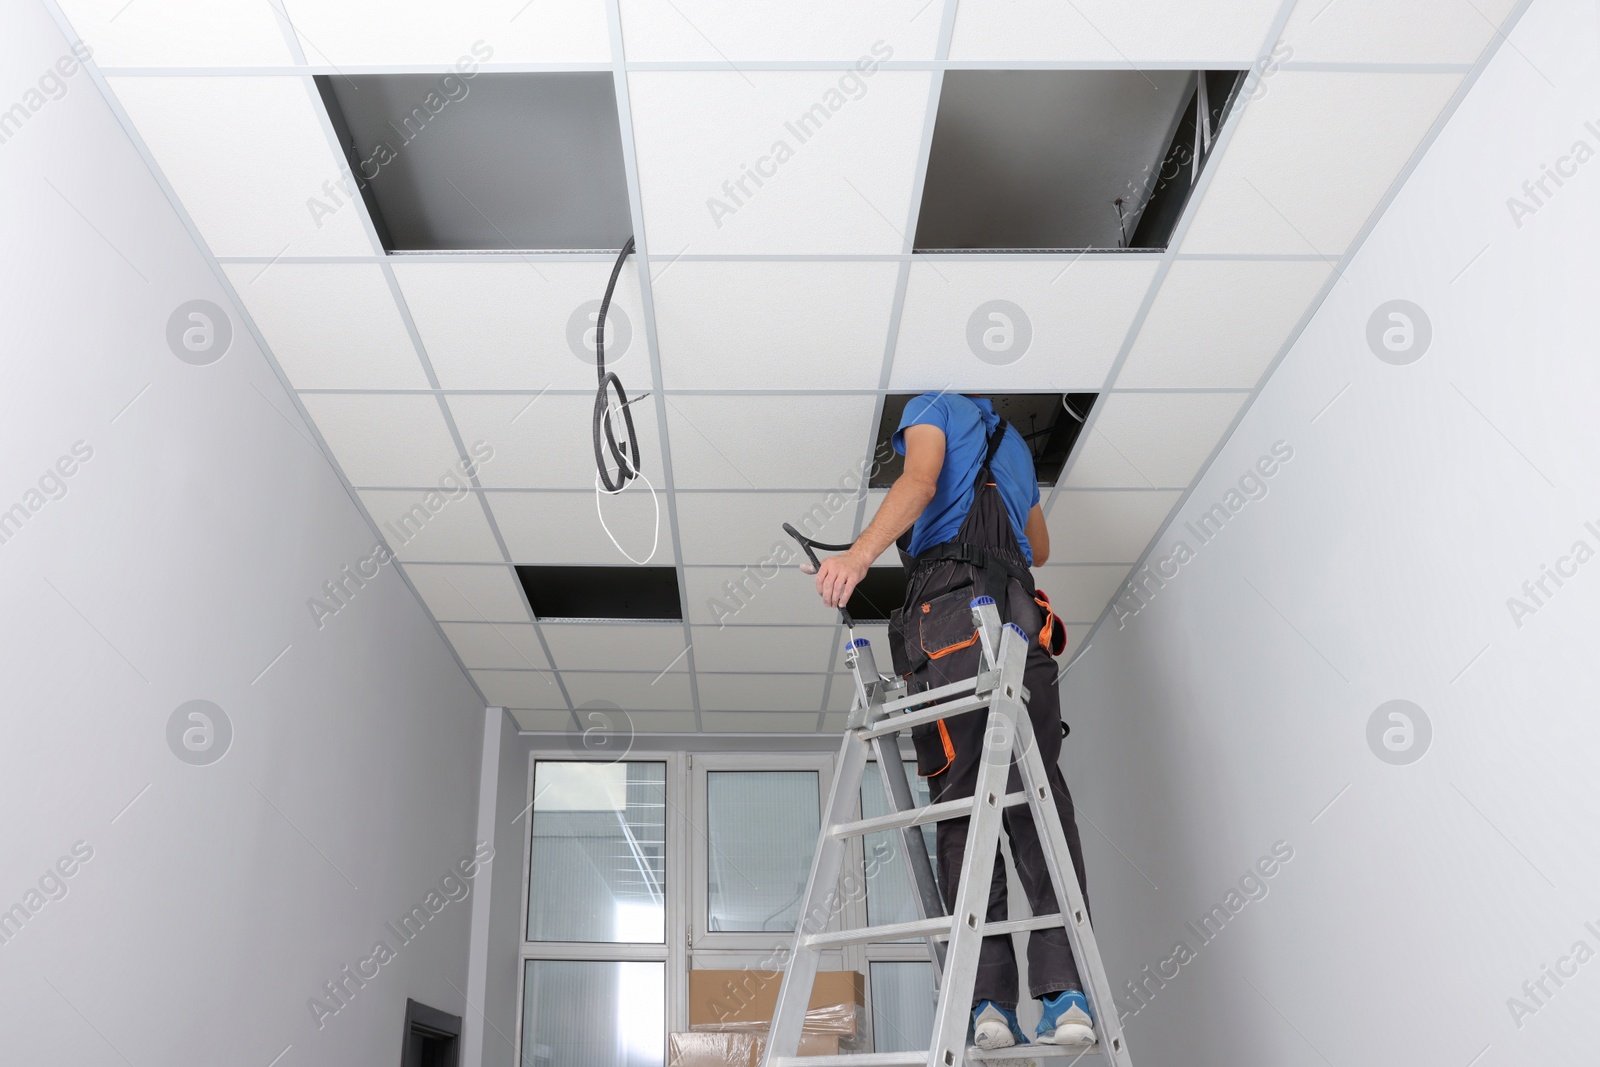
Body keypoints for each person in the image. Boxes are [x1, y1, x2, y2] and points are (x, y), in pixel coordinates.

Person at [807, 393, 1095, 1049]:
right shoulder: (1018, 449)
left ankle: (989, 1003)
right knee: (1036, 801)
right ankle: (1068, 993)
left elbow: (921, 479)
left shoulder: (929, 403)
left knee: (966, 806)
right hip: (1024, 621)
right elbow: (1039, 546)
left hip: (955, 621)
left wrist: (856, 556)